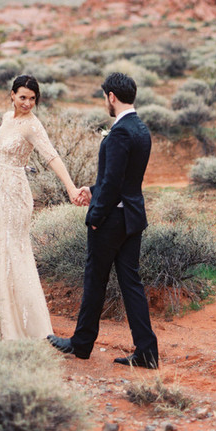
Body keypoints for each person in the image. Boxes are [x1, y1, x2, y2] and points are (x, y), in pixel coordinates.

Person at [47, 72, 159, 368]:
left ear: (111, 96)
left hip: (111, 220)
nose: (104, 103)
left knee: (95, 280)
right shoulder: (141, 129)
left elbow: (113, 182)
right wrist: (92, 190)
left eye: (104, 97)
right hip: (132, 217)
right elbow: (124, 180)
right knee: (131, 284)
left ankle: (81, 344)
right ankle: (147, 352)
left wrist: (95, 216)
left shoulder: (120, 132)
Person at [0, 74, 81, 340]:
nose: (27, 103)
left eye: (32, 99)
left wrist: (70, 188)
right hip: (0, 192)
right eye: (23, 97)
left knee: (15, 249)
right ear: (12, 95)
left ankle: (27, 327)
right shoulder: (6, 118)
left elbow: (51, 156)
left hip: (16, 195)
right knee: (1, 246)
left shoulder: (32, 126)